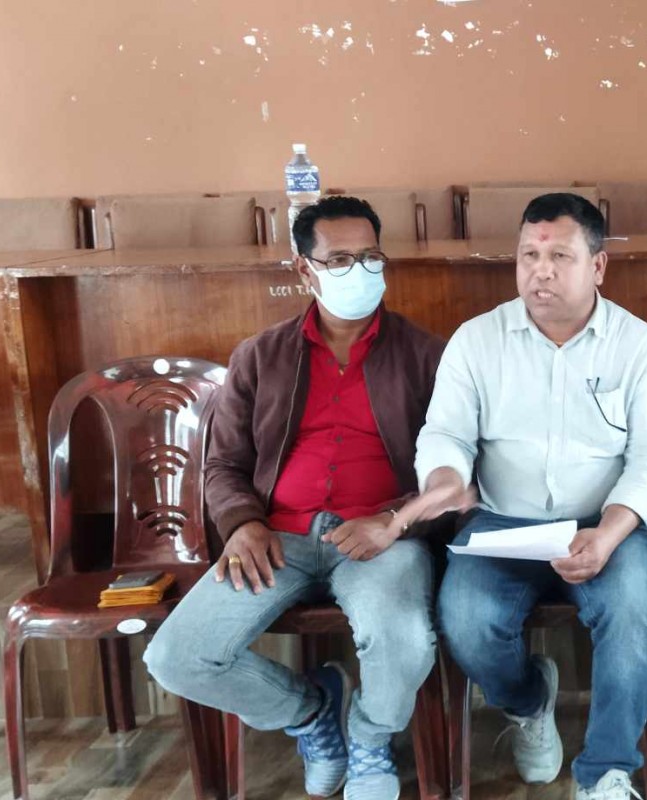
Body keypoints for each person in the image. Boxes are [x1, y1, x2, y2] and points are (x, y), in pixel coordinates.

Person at [145, 196, 447, 800]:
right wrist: (242, 525)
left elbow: (454, 468)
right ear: (303, 270)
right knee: (177, 657)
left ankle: (369, 736)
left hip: (380, 539)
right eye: (339, 260)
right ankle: (311, 711)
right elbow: (222, 464)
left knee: (404, 639)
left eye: (370, 257)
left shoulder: (426, 355)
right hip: (275, 538)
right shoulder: (260, 356)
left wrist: (393, 520)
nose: (359, 271)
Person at [404, 193, 647, 800]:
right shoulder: (477, 341)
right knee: (467, 620)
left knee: (632, 614)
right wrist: (445, 477)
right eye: (529, 255)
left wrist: (610, 532)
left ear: (598, 266)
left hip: (607, 522)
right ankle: (530, 702)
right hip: (503, 521)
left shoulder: (640, 346)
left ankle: (606, 773)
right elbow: (445, 432)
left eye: (560, 256)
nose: (541, 271)